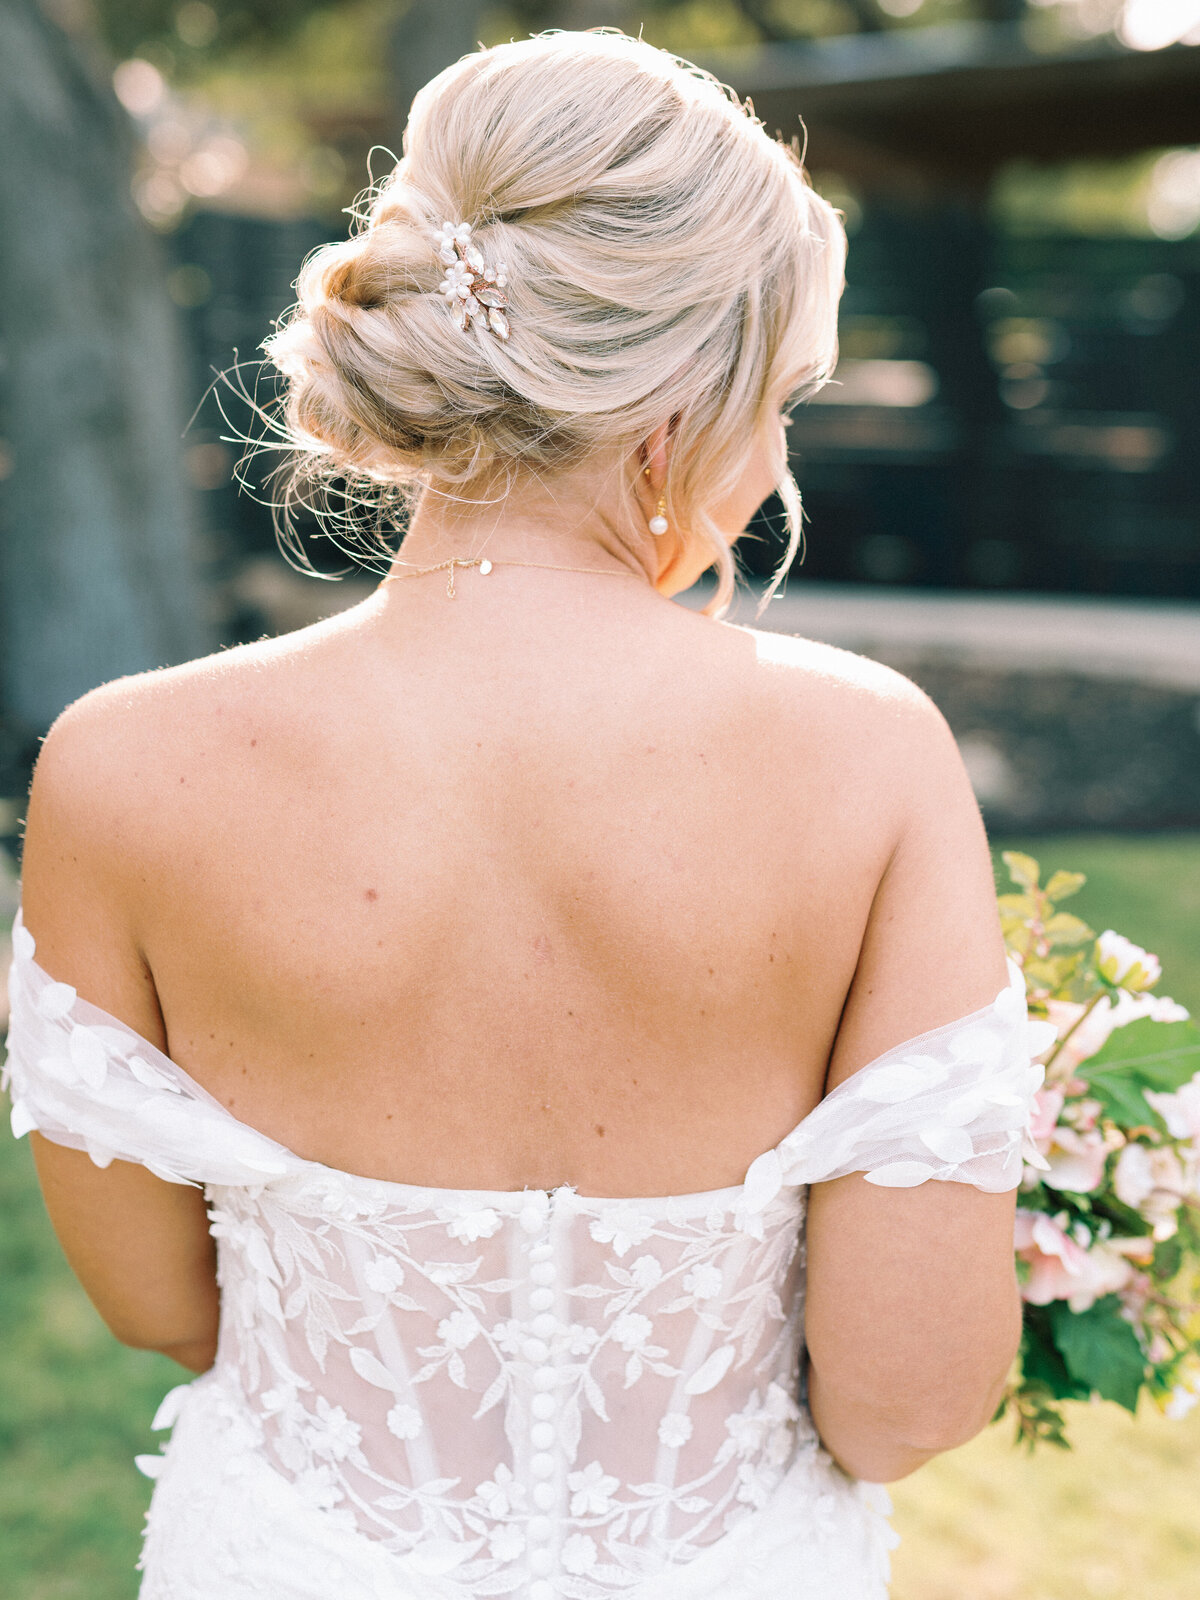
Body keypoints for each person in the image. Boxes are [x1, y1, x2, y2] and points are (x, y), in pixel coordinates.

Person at [4, 30, 1047, 1600]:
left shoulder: (119, 766)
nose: (769, 467)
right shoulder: (870, 759)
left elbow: (163, 1305)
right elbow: (905, 1402)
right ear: (679, 406)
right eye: (776, 402)